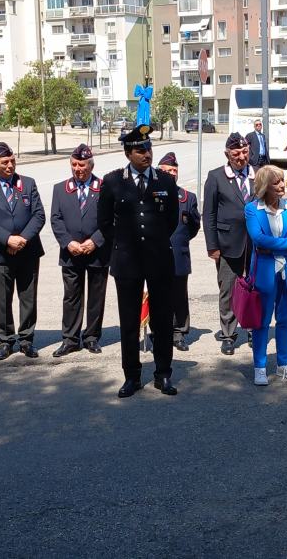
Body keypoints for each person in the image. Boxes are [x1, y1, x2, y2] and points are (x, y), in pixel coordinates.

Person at [98, 124, 179, 398]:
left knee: (163, 320)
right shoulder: (112, 182)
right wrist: (123, 246)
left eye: (148, 148)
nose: (147, 153)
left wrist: (154, 243)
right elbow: (104, 222)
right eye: (140, 150)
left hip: (159, 260)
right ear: (128, 153)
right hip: (127, 262)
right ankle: (131, 375)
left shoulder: (165, 182)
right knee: (129, 321)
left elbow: (171, 220)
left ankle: (163, 374)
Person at [0, 142, 46, 361]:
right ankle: (5, 341)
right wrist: (8, 240)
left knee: (28, 298)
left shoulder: (28, 183)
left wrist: (22, 239)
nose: (10, 165)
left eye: (12, 161)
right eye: (5, 162)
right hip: (0, 253)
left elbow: (39, 215)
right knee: (3, 300)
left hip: (28, 250)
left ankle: (26, 340)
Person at [245, 165, 287, 386]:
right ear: (264, 186)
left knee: (285, 320)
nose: (282, 185)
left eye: (282, 181)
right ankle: (260, 367)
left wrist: (279, 246)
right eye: (276, 182)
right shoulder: (252, 209)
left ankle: (284, 363)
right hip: (264, 272)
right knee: (261, 321)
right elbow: (258, 239)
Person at [50, 144, 109, 357]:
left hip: (97, 251)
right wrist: (68, 243)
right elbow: (56, 219)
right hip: (71, 253)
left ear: (90, 165)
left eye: (82, 165)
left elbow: (111, 220)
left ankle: (92, 337)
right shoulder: (60, 188)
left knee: (96, 296)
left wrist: (95, 241)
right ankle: (70, 339)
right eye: (74, 164)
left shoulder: (104, 187)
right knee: (71, 296)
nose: (78, 169)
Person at [203, 132, 255, 355]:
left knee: (256, 287)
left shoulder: (259, 174)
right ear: (227, 154)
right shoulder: (215, 177)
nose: (241, 157)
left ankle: (254, 329)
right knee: (228, 290)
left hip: (256, 243)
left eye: (244, 152)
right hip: (227, 243)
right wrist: (212, 246)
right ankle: (228, 334)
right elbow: (209, 214)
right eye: (236, 153)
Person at [157, 152, 201, 351]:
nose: (172, 174)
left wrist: (179, 241)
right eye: (168, 171)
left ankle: (179, 332)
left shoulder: (187, 197)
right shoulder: (150, 195)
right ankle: (159, 330)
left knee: (178, 296)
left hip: (178, 254)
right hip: (155, 255)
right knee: (157, 295)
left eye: (174, 170)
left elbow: (193, 226)